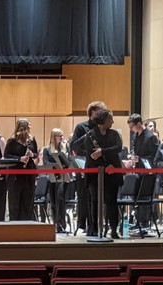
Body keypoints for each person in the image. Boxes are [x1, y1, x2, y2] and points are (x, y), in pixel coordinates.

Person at [74, 109, 123, 238]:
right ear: (103, 120)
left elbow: (118, 147)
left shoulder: (114, 134)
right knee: (95, 201)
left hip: (112, 172)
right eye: (110, 119)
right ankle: (95, 228)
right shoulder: (91, 135)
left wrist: (103, 151)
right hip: (95, 173)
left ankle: (113, 229)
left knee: (112, 201)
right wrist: (106, 160)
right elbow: (92, 154)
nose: (112, 121)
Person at [71, 101, 107, 234]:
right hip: (86, 166)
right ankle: (84, 224)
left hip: (101, 167)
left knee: (98, 198)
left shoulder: (104, 127)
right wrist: (88, 137)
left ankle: (98, 225)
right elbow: (74, 146)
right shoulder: (82, 127)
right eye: (99, 112)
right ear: (91, 112)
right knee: (85, 196)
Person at [127, 114, 159, 233]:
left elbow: (155, 156)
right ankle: (137, 221)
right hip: (138, 170)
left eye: (132, 127)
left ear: (139, 124)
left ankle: (144, 222)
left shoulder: (150, 137)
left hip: (148, 172)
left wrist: (139, 159)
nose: (132, 130)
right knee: (136, 196)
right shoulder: (135, 137)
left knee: (144, 196)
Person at [5, 119, 39, 221]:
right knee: (15, 202)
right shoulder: (12, 140)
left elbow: (36, 153)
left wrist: (32, 154)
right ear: (23, 127)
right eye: (29, 125)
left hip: (29, 174)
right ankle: (14, 226)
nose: (30, 127)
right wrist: (19, 159)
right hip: (15, 175)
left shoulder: (32, 140)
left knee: (28, 202)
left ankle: (27, 225)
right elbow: (6, 155)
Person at [42, 128, 71, 233]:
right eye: (59, 135)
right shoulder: (47, 149)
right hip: (52, 177)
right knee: (54, 201)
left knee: (60, 199)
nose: (62, 137)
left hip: (63, 177)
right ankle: (56, 224)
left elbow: (70, 161)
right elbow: (45, 163)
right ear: (54, 137)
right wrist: (55, 166)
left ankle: (62, 223)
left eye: (62, 135)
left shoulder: (65, 148)